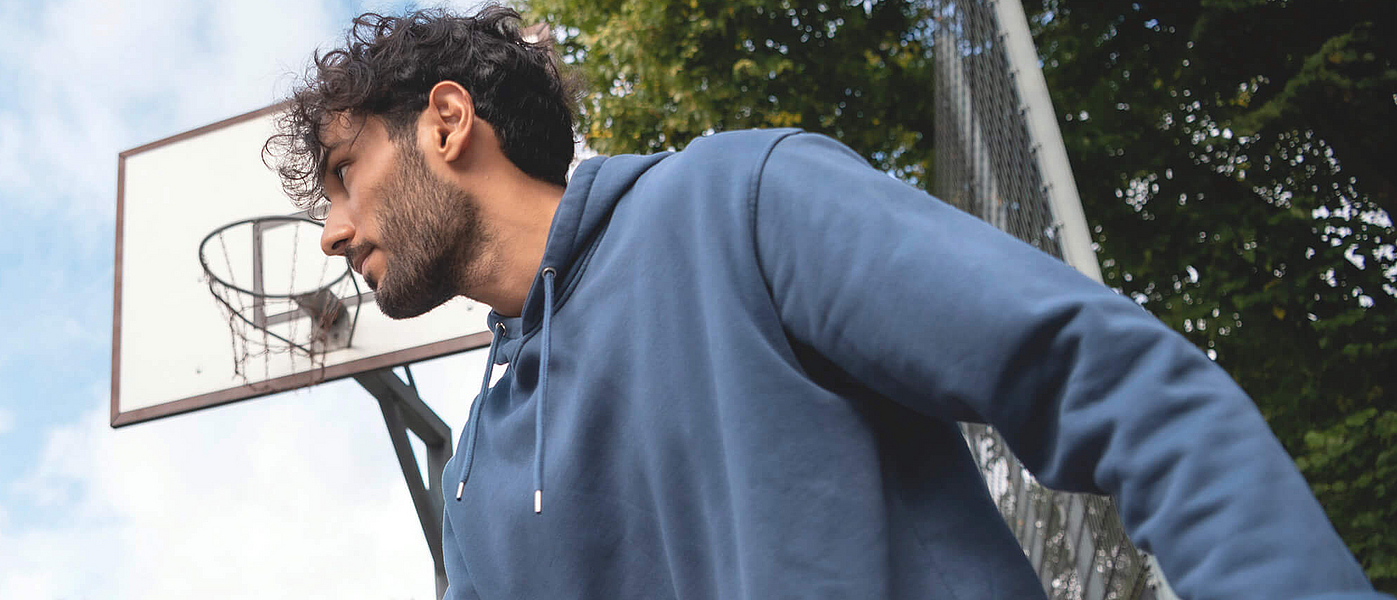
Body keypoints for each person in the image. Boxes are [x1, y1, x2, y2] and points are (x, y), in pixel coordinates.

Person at [264, 6, 1389, 600]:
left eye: (346, 172)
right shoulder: (473, 484)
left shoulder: (736, 203)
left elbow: (1108, 379)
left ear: (448, 124)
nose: (332, 230)